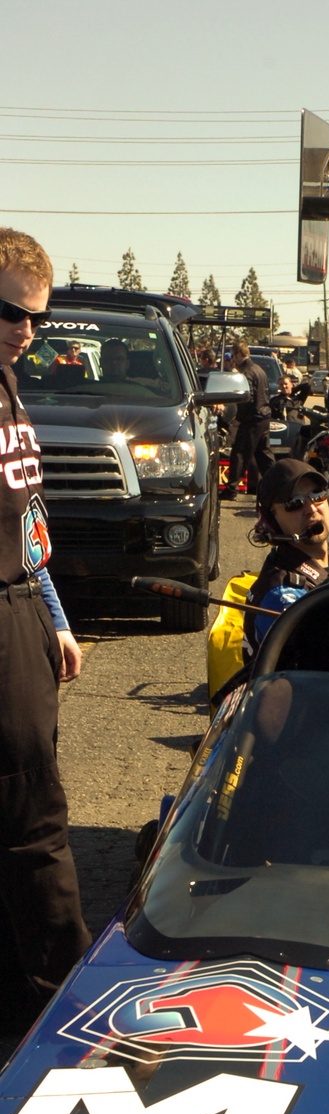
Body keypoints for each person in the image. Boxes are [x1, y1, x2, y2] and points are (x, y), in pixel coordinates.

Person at [0, 226, 90, 1017]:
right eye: (9, 313)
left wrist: (51, 612)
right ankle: (61, 997)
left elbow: (27, 517)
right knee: (34, 820)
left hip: (21, 611)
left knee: (24, 809)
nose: (24, 329)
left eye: (34, 317)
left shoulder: (10, 386)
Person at [243, 458, 329, 658]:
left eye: (317, 495)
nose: (311, 509)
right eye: (295, 504)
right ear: (272, 522)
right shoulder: (281, 595)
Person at [220, 341, 273, 500]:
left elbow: (247, 398)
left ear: (238, 354)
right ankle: (276, 483)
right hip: (264, 416)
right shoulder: (259, 370)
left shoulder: (247, 373)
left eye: (233, 355)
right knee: (264, 454)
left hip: (252, 418)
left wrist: (239, 419)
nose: (233, 360)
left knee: (240, 453)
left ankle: (231, 489)